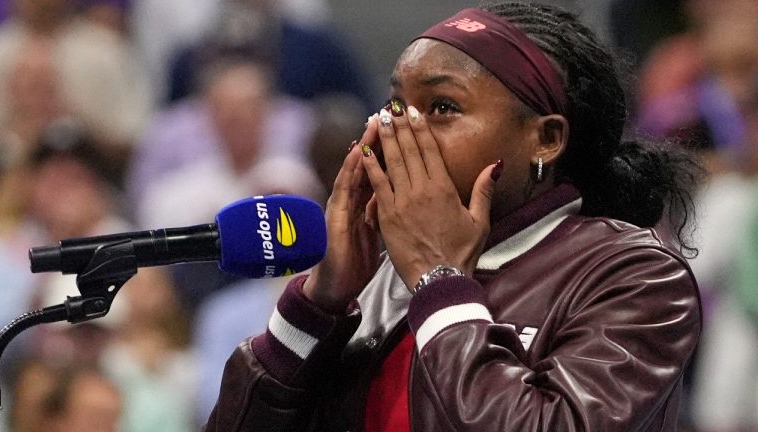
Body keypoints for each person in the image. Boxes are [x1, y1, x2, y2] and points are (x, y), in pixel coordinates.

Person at [205, 2, 704, 431]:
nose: (397, 127)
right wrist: (316, 307)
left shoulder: (634, 275)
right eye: (395, 104)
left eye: (442, 106)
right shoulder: (378, 274)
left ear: (546, 139)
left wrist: (438, 282)